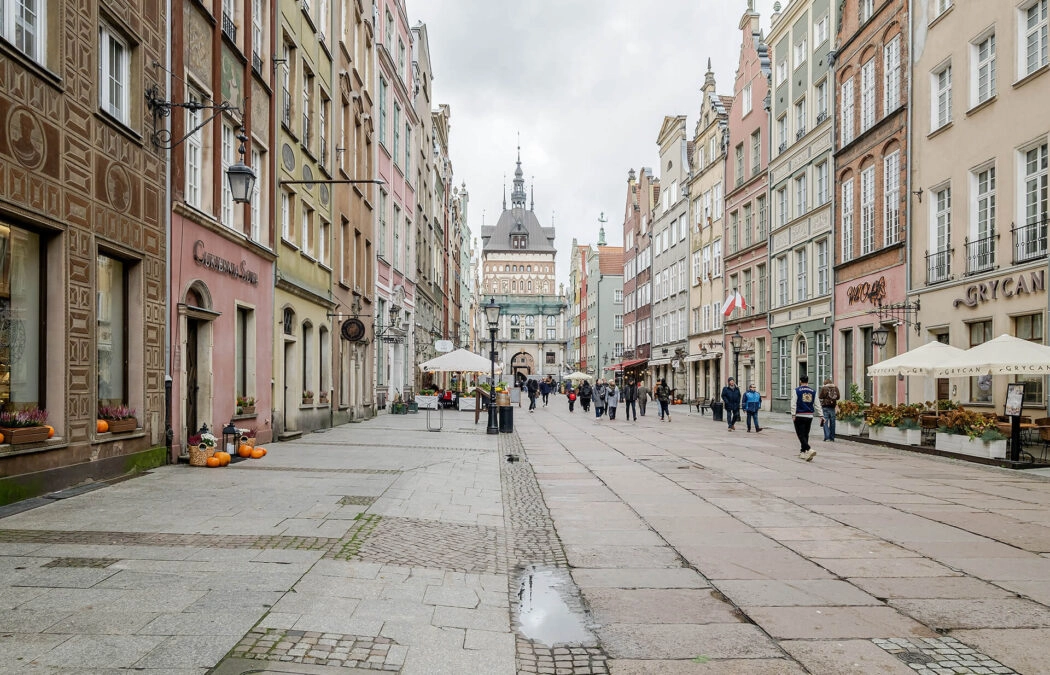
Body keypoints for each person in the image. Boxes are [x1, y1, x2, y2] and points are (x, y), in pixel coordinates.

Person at [791, 374, 824, 461]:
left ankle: (809, 449)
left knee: (800, 434)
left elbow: (793, 403)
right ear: (807, 381)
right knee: (806, 434)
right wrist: (821, 415)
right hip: (809, 415)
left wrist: (793, 414)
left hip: (799, 415)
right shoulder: (813, 391)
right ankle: (803, 452)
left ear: (800, 381)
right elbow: (817, 404)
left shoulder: (796, 390)